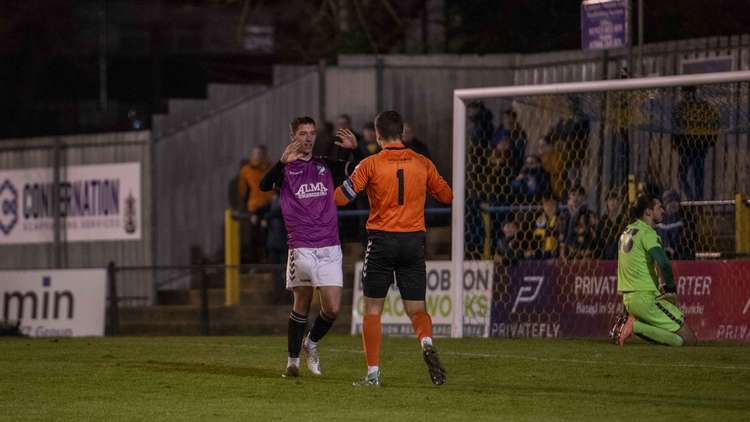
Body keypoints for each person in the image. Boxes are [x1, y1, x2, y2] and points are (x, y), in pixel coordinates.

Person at [334, 110, 453, 386]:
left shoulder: (370, 164)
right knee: (417, 309)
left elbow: (341, 199)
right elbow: (446, 196)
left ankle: (373, 375)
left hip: (382, 242)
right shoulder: (422, 162)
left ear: (377, 135)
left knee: (373, 309)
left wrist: (348, 176)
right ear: (402, 132)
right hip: (413, 243)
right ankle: (425, 342)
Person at [259, 116, 359, 378]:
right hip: (301, 245)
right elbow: (262, 185)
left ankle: (310, 343)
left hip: (329, 246)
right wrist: (280, 163)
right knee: (301, 302)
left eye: (312, 133)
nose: (308, 138)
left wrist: (353, 149)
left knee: (333, 308)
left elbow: (357, 173)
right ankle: (292, 362)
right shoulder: (286, 168)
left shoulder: (324, 165)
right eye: (302, 133)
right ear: (293, 136)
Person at [611, 194, 698, 347]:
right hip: (645, 298)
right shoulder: (648, 233)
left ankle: (634, 324)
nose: (663, 211)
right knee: (690, 341)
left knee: (677, 341)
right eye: (659, 207)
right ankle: (634, 326)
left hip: (629, 300)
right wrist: (671, 288)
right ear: (648, 212)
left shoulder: (627, 231)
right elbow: (664, 263)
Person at [672, 86, 719, 200]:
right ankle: (694, 201)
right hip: (691, 146)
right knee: (689, 176)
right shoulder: (683, 107)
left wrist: (711, 140)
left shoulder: (702, 107)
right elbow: (675, 125)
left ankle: (695, 202)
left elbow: (714, 123)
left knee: (693, 177)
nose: (687, 96)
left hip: (695, 146)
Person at [238, 145, 274, 262]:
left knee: (270, 234)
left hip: (270, 206)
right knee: (254, 235)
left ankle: (268, 259)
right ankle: (255, 261)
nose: (258, 157)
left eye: (261, 154)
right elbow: (243, 191)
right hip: (255, 207)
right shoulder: (246, 171)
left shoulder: (271, 168)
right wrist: (247, 209)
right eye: (256, 154)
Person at [558, 185, 596, 260]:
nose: (576, 198)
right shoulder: (565, 215)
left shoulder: (589, 214)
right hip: (569, 253)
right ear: (569, 197)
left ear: (584, 198)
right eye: (573, 195)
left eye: (579, 195)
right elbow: (562, 236)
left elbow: (592, 235)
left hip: (585, 252)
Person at [656, 190, 696, 260]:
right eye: (670, 203)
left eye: (675, 202)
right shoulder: (661, 221)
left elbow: (686, 240)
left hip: (680, 256)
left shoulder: (684, 220)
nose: (673, 205)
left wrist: (673, 248)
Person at [492, 109, 527, 177]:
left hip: (511, 163)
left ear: (514, 119)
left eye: (509, 118)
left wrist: (509, 146)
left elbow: (520, 151)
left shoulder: (520, 133)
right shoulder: (499, 130)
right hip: (496, 160)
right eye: (505, 118)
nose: (507, 120)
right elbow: (493, 144)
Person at [596, 190, 627, 259]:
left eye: (615, 199)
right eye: (610, 199)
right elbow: (598, 241)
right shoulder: (603, 220)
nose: (612, 202)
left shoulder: (623, 220)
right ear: (607, 202)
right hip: (606, 253)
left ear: (619, 202)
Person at [527, 194, 559, 260]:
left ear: (556, 206)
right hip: (541, 249)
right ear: (543, 206)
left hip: (555, 249)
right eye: (547, 205)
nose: (549, 207)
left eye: (552, 205)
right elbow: (536, 234)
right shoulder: (540, 219)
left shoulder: (560, 218)